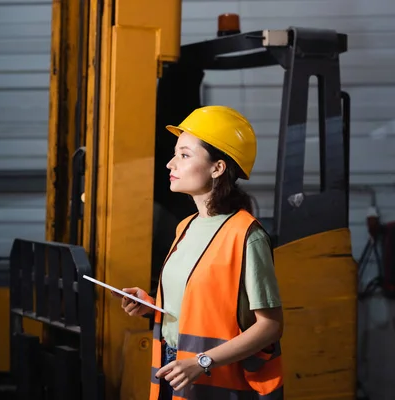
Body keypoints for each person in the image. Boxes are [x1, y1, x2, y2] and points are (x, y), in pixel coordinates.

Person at [119, 106, 284, 400]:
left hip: (213, 377)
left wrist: (202, 362)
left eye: (184, 155)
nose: (171, 164)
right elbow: (205, 304)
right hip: (173, 364)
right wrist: (153, 305)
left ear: (217, 168)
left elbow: (270, 327)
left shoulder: (247, 235)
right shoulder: (186, 226)